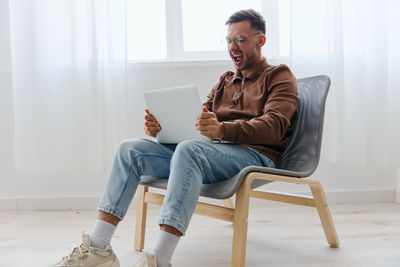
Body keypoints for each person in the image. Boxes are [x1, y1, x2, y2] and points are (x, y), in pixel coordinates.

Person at [51, 8, 299, 267]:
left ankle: (160, 259)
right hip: (211, 152)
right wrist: (162, 129)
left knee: (190, 150)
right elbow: (198, 122)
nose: (233, 46)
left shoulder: (279, 76)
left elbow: (274, 126)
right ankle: (99, 247)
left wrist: (222, 130)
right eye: (229, 40)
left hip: (254, 154)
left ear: (261, 40)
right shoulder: (225, 81)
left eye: (241, 39)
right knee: (131, 149)